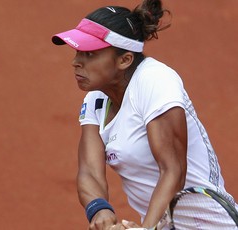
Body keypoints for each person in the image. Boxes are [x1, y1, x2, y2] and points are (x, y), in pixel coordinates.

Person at [52, 0, 238, 229]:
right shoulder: (96, 99)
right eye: (78, 52)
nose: (76, 62)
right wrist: (99, 209)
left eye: (89, 54)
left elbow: (173, 170)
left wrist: (147, 228)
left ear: (125, 59)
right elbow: (89, 170)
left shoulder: (155, 81)